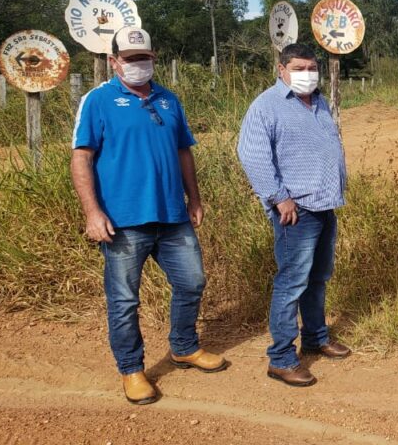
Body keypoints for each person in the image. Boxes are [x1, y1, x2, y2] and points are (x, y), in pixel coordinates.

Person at [70, 27, 226, 406]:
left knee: (192, 282)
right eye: (130, 58)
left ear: (153, 58)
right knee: (124, 300)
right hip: (123, 222)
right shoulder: (98, 101)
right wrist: (92, 213)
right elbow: (81, 158)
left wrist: (195, 199)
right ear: (114, 61)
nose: (139, 65)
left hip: (173, 217)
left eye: (145, 58)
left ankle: (184, 347)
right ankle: (132, 369)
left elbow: (183, 152)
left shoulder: (169, 100)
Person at [237, 43, 350, 388]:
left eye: (311, 68)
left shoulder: (319, 102)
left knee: (317, 278)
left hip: (324, 205)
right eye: (299, 68)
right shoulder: (266, 106)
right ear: (281, 70)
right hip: (295, 211)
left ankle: (316, 337)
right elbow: (252, 154)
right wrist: (278, 198)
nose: (307, 74)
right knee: (291, 284)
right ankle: (282, 359)